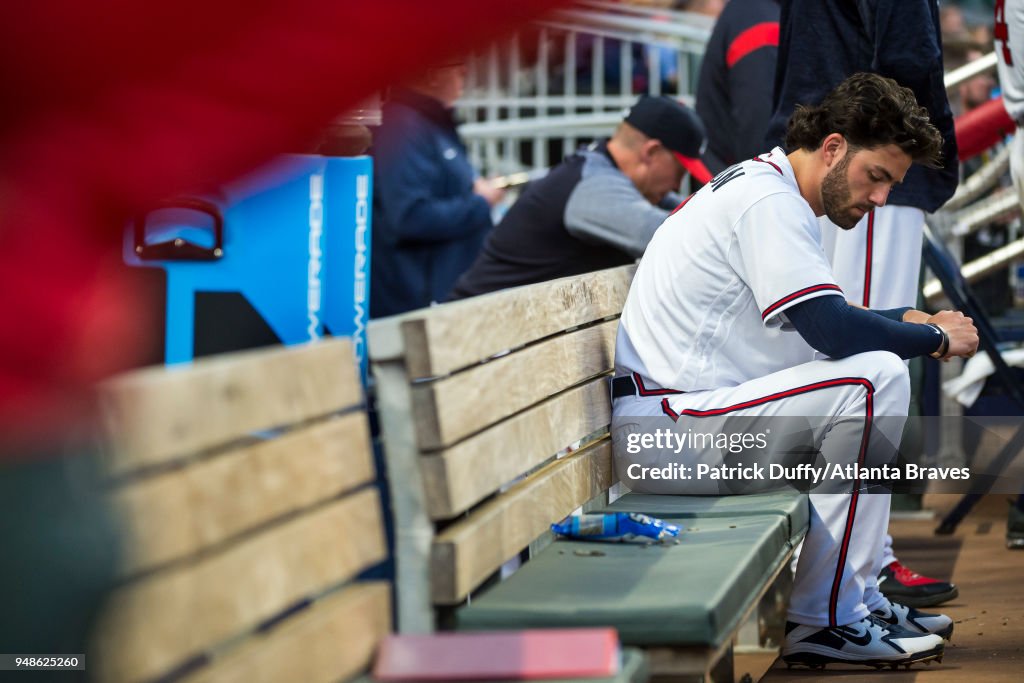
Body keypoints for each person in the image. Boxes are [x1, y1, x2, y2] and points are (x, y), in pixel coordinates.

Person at [612, 73, 979, 668]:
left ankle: (853, 595)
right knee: (875, 377)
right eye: (877, 176)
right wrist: (931, 337)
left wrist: (903, 316)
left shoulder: (773, 190)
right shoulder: (768, 199)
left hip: (687, 419)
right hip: (667, 433)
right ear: (833, 147)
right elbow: (829, 328)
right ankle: (826, 618)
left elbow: (815, 324)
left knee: (871, 372)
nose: (881, 198)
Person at [764, 0, 961, 609]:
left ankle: (851, 559)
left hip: (822, 149)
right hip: (861, 156)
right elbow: (909, 56)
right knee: (868, 364)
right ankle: (861, 567)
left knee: (846, 367)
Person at [448, 95, 710, 300]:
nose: (678, 183)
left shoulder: (609, 174)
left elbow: (692, 213)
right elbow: (674, 238)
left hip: (510, 340)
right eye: (680, 170)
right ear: (650, 152)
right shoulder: (593, 185)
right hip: (472, 346)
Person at [370, 62, 505, 318]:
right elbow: (410, 216)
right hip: (417, 303)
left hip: (443, 295)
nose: (465, 75)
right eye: (460, 68)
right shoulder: (402, 126)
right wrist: (480, 202)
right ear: (432, 74)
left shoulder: (430, 121)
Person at [695, 0, 780, 175]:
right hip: (740, 180)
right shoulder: (757, 16)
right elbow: (758, 118)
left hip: (732, 175)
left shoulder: (753, 10)